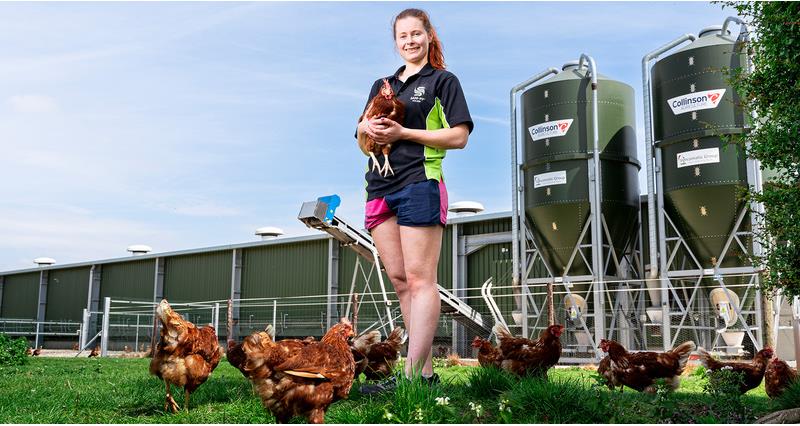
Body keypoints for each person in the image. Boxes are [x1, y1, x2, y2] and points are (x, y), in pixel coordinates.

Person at [355, 8, 473, 393]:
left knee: (422, 280)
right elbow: (361, 135)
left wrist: (405, 132)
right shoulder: (382, 83)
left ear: (428, 36)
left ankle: (409, 376)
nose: (409, 41)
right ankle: (423, 376)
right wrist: (365, 126)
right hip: (380, 187)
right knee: (401, 281)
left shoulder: (442, 80)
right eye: (402, 35)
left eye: (416, 34)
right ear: (396, 42)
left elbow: (458, 137)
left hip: (420, 183)